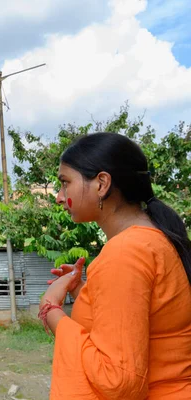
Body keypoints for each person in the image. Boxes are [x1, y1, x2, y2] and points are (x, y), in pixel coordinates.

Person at [40, 132, 191, 399]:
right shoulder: (149, 239)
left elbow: (119, 380)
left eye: (65, 183)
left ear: (102, 183)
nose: (59, 197)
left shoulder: (126, 252)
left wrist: (51, 310)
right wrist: (85, 293)